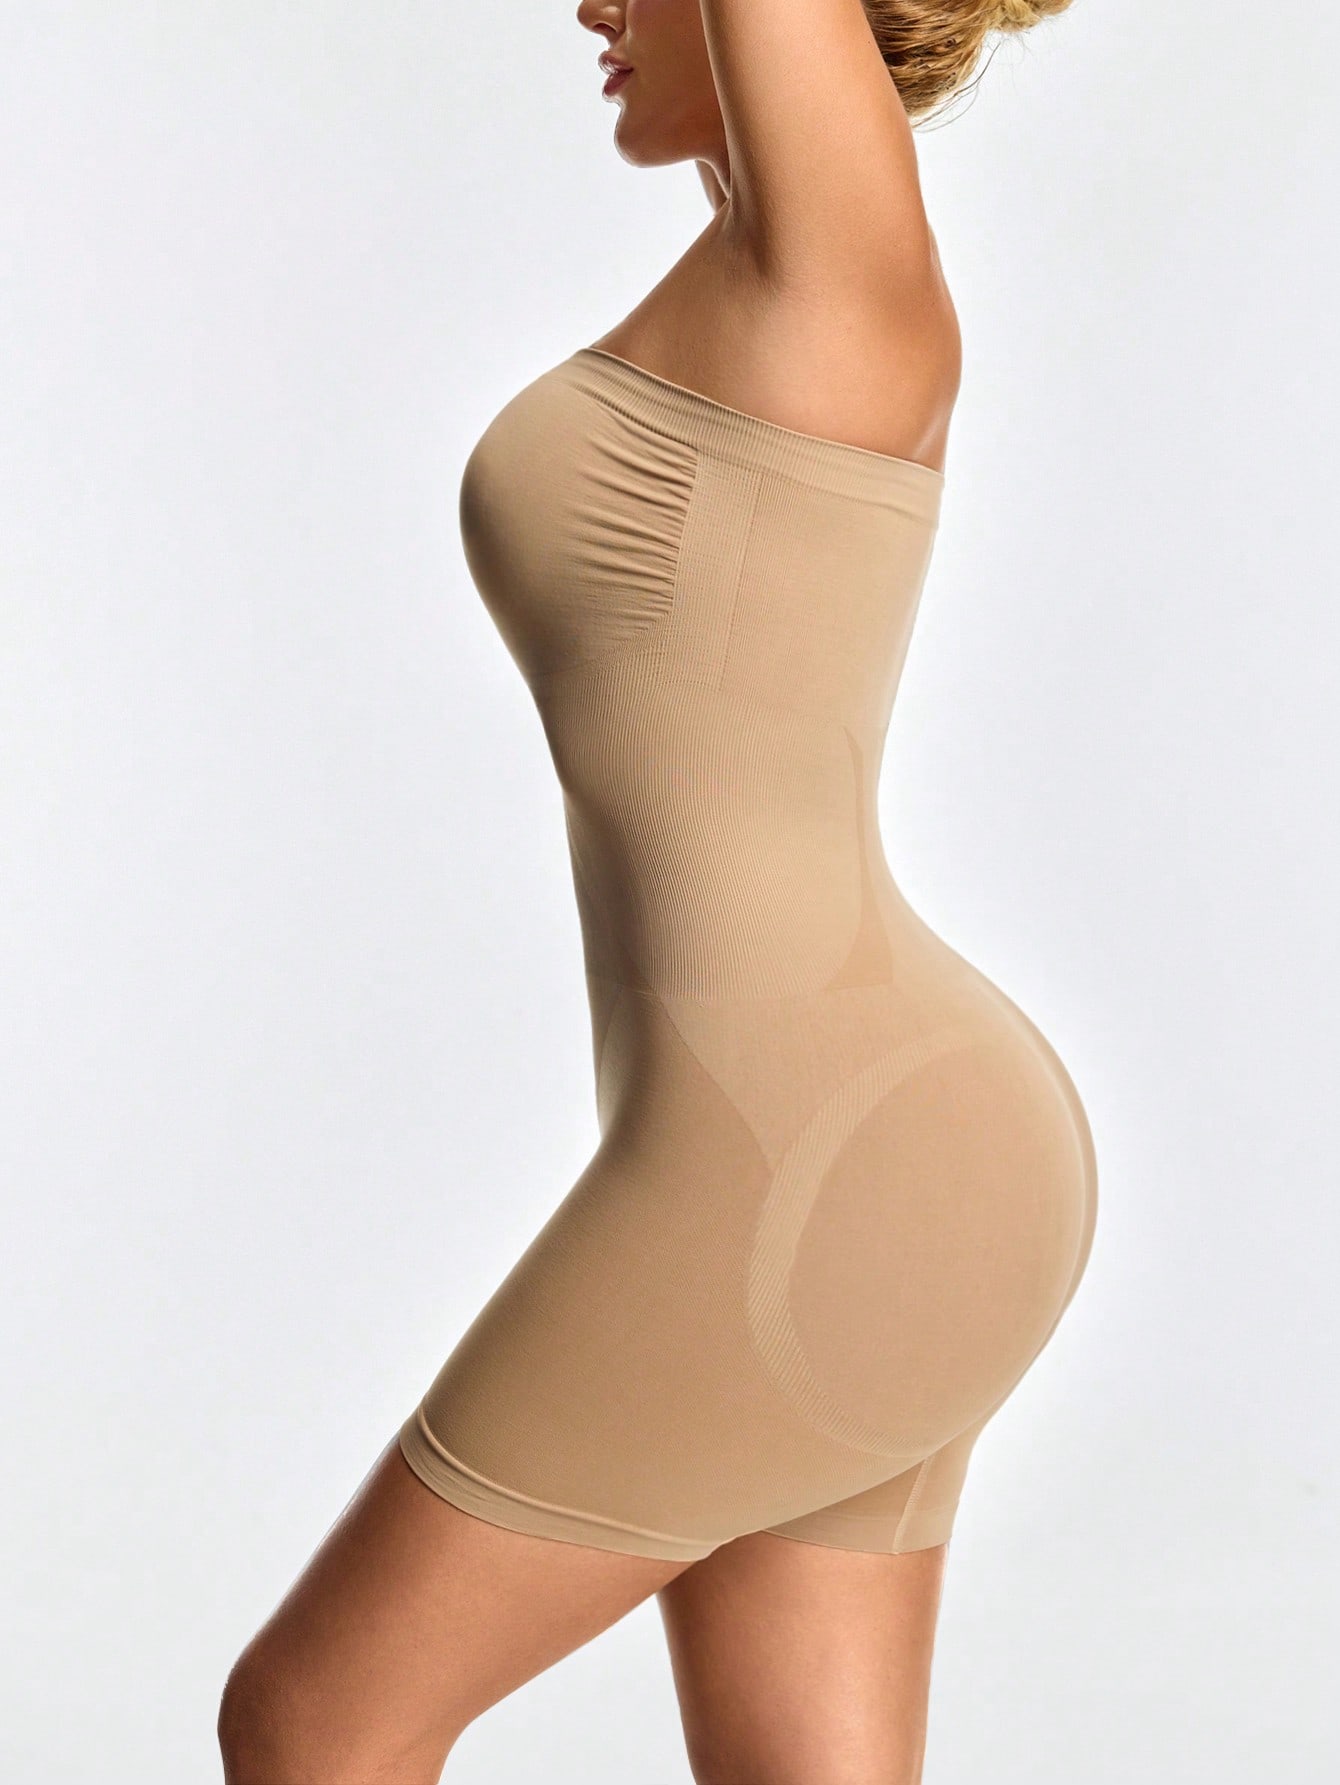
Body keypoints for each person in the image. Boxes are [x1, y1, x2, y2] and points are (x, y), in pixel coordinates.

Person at [218, 2, 1096, 1780]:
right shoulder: (768, 279)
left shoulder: (846, 278)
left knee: (316, 1722)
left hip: (812, 1162)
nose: (593, 8)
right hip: (868, 1152)